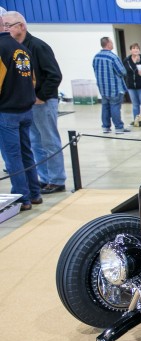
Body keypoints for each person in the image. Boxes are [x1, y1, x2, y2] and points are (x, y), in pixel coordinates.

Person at [4, 11, 66, 194]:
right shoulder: (15, 48)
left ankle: (56, 179)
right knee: (35, 143)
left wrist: (41, 96)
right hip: (29, 104)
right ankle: (45, 178)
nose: (5, 29)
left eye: (8, 25)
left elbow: (54, 75)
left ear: (20, 26)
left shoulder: (38, 46)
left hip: (43, 102)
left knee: (49, 141)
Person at [0, 24, 41, 211]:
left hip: (7, 111)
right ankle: (34, 193)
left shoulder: (1, 48)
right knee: (26, 153)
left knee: (13, 157)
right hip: (25, 108)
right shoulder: (22, 48)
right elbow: (31, 80)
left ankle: (22, 197)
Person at [92, 37, 130, 134]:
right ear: (108, 44)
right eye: (112, 42)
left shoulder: (96, 57)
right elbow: (122, 72)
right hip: (115, 88)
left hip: (103, 88)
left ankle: (105, 127)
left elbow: (95, 70)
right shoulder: (113, 57)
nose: (113, 44)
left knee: (105, 107)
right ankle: (118, 127)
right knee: (115, 107)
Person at [123, 43, 141, 130]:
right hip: (131, 86)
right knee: (135, 105)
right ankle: (136, 120)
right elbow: (125, 70)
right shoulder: (127, 60)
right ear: (130, 50)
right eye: (133, 48)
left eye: (137, 48)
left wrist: (140, 61)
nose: (136, 50)